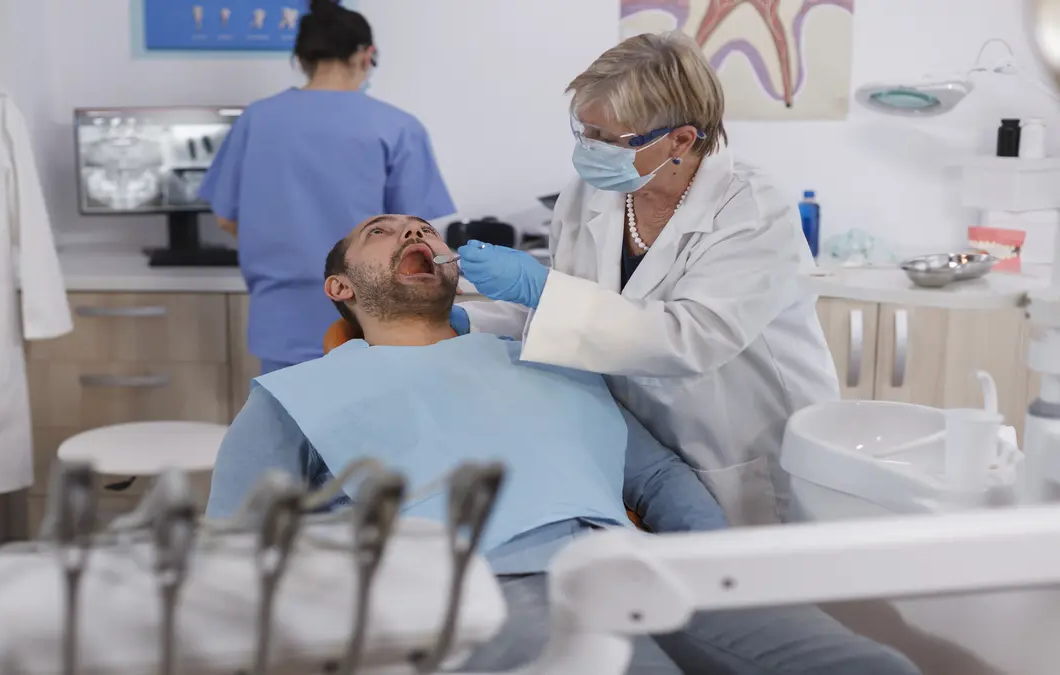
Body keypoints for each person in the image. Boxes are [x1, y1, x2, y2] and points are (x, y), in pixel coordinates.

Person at [207, 214, 919, 675]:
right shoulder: (296, 396)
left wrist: (716, 563)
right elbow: (230, 551)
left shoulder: (540, 354)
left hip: (635, 561)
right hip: (481, 586)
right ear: (340, 285)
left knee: (878, 667)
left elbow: (658, 477)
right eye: (383, 233)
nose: (411, 234)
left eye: (422, 228)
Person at [451, 32, 839, 527]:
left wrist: (539, 288)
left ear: (680, 139)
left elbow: (691, 337)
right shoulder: (592, 191)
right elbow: (577, 304)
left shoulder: (752, 210)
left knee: (753, 586)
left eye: (609, 139)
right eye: (583, 130)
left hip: (742, 443)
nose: (590, 150)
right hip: (646, 448)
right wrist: (477, 316)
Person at [198, 0, 455, 374]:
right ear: (367, 56)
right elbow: (414, 237)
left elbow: (227, 219)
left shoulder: (257, 119)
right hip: (371, 319)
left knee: (287, 425)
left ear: (301, 58)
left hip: (281, 318)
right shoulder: (396, 126)